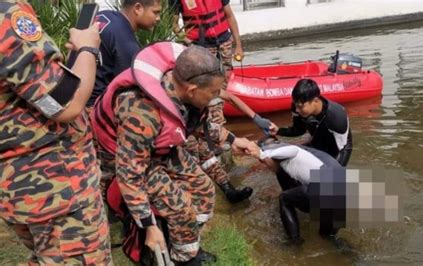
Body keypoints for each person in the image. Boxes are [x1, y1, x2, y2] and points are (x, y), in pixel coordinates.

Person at [91, 42, 253, 264]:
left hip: (159, 148)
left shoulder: (182, 90)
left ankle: (186, 244)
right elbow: (129, 174)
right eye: (214, 93)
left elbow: (193, 124)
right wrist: (148, 226)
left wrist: (234, 140)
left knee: (203, 190)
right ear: (192, 90)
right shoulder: (143, 113)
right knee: (179, 207)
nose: (217, 98)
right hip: (128, 156)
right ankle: (181, 257)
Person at [0, 1, 111, 264]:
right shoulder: (7, 18)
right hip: (58, 188)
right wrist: (87, 48)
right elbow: (64, 102)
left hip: (19, 186)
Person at [247, 137, 346, 243]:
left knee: (284, 198)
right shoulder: (304, 154)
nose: (265, 165)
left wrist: (261, 154)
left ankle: (295, 241)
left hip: (327, 185)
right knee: (328, 237)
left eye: (263, 162)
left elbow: (291, 150)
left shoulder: (291, 150)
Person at [87, 0, 162, 107]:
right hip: (94, 109)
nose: (158, 18)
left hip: (73, 97)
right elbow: (128, 90)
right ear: (137, 8)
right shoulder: (126, 43)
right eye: (155, 12)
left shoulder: (102, 15)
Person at [270, 79, 353, 166]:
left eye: (300, 107)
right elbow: (299, 130)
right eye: (296, 105)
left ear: (315, 101)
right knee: (283, 161)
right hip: (317, 142)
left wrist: (337, 172)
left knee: (325, 177)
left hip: (336, 149)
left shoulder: (336, 116)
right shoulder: (297, 107)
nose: (297, 110)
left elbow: (344, 149)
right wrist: (279, 130)